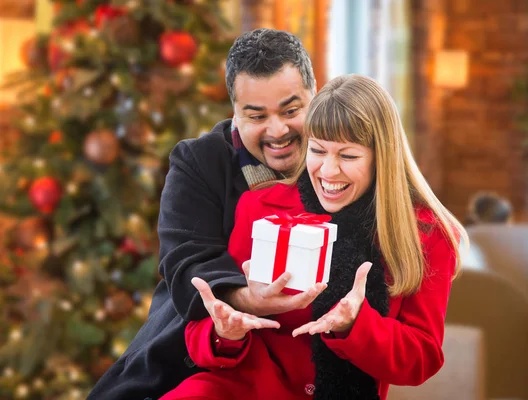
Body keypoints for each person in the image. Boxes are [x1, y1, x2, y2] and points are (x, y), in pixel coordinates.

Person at [161, 74, 468, 400]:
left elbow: (421, 359)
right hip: (237, 389)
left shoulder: (426, 233)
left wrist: (355, 325)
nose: (328, 171)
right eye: (318, 151)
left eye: (348, 156)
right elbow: (202, 334)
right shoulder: (260, 206)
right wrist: (225, 331)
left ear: (382, 158)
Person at [87, 29, 325, 400]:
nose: (278, 130)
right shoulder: (198, 162)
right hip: (191, 357)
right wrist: (246, 297)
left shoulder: (339, 162)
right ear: (234, 111)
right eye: (256, 115)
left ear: (316, 97)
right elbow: (186, 264)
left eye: (291, 111)